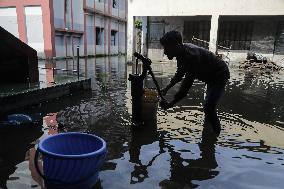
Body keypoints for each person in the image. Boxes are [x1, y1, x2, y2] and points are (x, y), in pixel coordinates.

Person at [159, 31, 230, 136]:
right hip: (210, 75)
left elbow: (185, 88)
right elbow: (179, 74)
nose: (165, 52)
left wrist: (170, 104)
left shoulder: (191, 57)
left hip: (219, 74)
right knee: (209, 107)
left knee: (208, 107)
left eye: (166, 47)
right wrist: (167, 88)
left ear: (176, 45)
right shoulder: (181, 53)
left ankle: (215, 137)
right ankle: (207, 132)